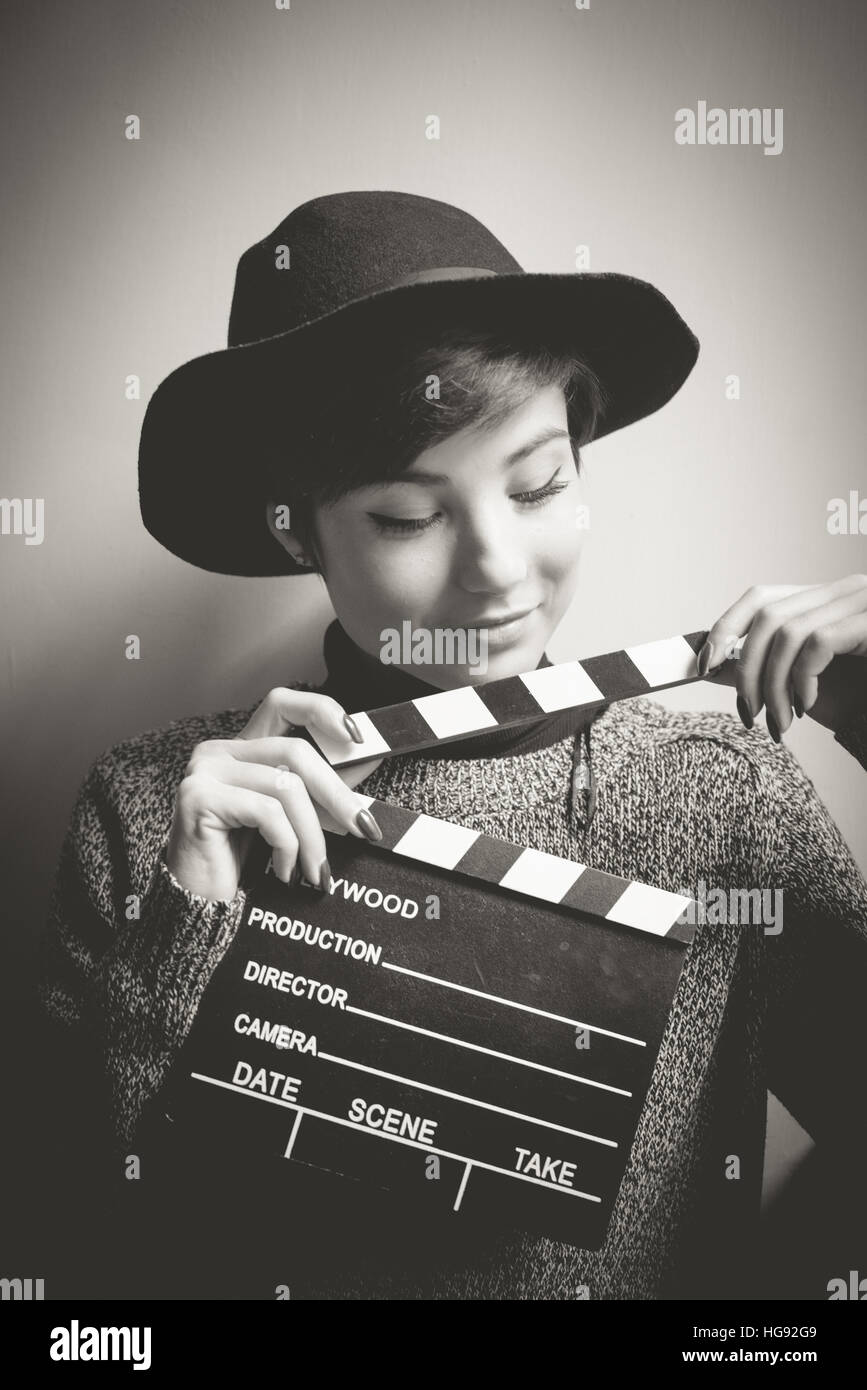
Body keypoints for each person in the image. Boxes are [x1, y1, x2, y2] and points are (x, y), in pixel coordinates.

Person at [39, 191, 867, 1301]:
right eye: (408, 517)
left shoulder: (720, 790)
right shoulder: (148, 814)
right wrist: (193, 928)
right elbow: (78, 1277)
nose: (498, 568)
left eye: (538, 483)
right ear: (297, 524)